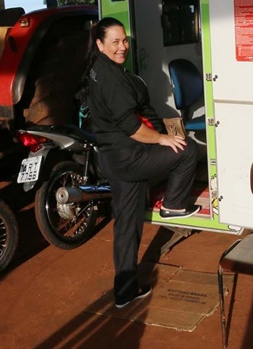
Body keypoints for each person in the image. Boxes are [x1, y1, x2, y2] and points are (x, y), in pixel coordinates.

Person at [79, 17, 200, 309]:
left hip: (112, 159)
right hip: (129, 156)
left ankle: (125, 291)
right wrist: (162, 139)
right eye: (115, 42)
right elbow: (132, 128)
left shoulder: (97, 69)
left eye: (124, 40)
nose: (123, 47)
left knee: (127, 226)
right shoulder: (111, 79)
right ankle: (174, 205)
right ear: (100, 44)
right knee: (187, 151)